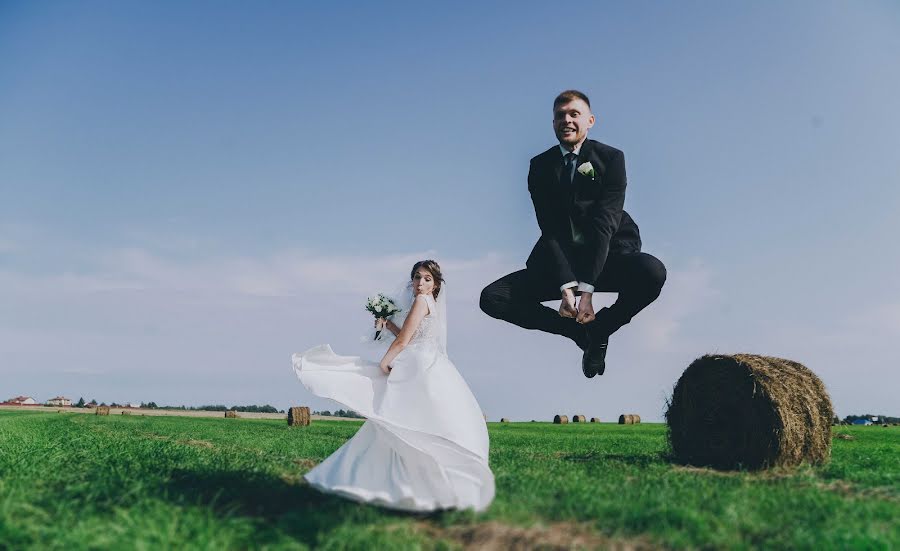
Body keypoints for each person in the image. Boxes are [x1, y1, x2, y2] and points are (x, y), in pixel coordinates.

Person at [480, 90, 666, 378]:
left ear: (589, 121)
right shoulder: (540, 166)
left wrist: (588, 291)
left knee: (652, 271)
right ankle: (581, 335)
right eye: (559, 116)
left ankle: (603, 328)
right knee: (493, 297)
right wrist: (565, 286)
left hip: (607, 257)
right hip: (561, 261)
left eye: (573, 114)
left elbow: (606, 223)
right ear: (553, 123)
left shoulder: (612, 158)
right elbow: (550, 227)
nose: (566, 120)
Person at [292, 260, 495, 512]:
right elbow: (413, 335)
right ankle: (422, 481)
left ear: (436, 284)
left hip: (417, 365)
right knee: (421, 419)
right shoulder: (429, 303)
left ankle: (382, 478)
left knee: (394, 413)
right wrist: (387, 323)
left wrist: (385, 362)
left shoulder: (421, 302)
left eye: (427, 279)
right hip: (429, 362)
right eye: (417, 277)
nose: (421, 283)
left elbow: (403, 341)